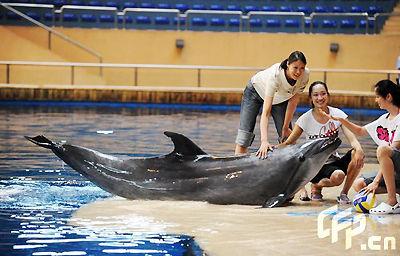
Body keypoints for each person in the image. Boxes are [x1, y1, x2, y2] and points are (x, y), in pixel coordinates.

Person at [279, 81, 364, 204]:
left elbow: (352, 139)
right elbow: (289, 143)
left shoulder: (337, 114)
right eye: (316, 95)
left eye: (323, 94)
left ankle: (343, 193)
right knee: (338, 176)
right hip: (315, 166)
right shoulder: (305, 119)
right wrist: (271, 148)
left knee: (357, 154)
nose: (320, 98)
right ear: (311, 98)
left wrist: (360, 150)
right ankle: (316, 185)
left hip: (333, 162)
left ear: (328, 95)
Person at [322, 79, 400, 214]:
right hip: (395, 173)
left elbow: (391, 152)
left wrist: (376, 182)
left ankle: (392, 202)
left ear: (388, 96)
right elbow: (360, 131)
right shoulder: (384, 119)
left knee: (383, 149)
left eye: (377, 96)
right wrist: (341, 120)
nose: (376, 100)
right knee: (359, 184)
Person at [235, 51, 309, 159]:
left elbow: (293, 102)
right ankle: (238, 163)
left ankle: (286, 166)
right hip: (254, 92)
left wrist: (285, 127)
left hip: (279, 99)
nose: (298, 72)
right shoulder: (275, 76)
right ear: (288, 64)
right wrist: (264, 141)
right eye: (295, 67)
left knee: (288, 137)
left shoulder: (305, 75)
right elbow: (266, 113)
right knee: (244, 135)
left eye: (302, 68)